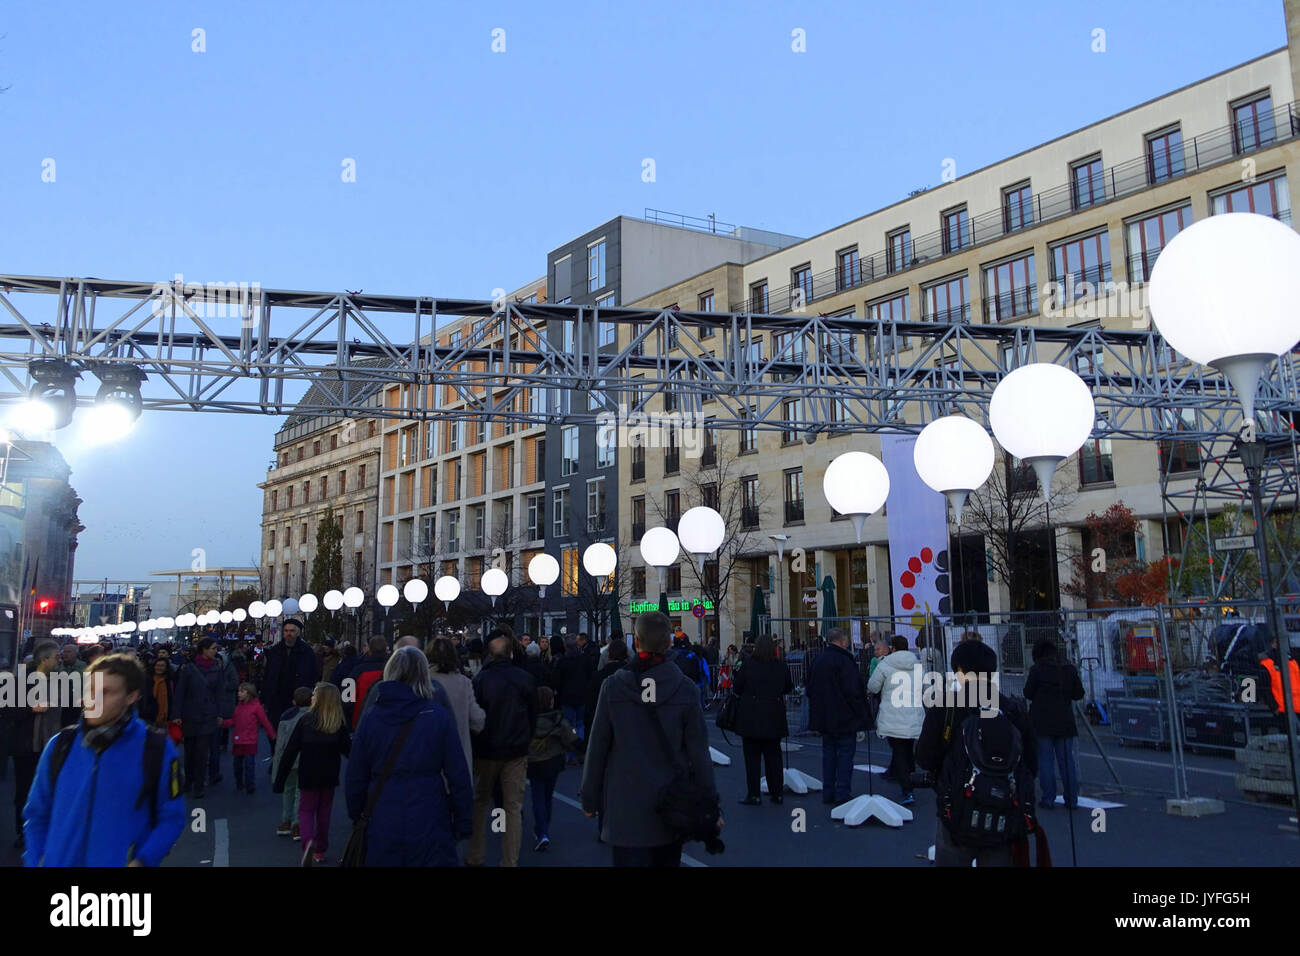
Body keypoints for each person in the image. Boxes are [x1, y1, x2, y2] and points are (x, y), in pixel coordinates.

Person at [580, 611, 720, 867]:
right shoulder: (686, 689)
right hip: (671, 808)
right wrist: (711, 807)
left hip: (625, 808)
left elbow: (597, 747)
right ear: (668, 643)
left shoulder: (613, 687)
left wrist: (589, 797)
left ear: (637, 642)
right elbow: (700, 755)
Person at [23, 653, 186, 866]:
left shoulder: (156, 749)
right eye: (90, 690)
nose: (94, 699)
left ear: (131, 696)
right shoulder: (60, 745)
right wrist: (37, 860)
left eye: (106, 692)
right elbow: (36, 814)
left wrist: (144, 859)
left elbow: (172, 817)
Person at [344, 646, 472, 866]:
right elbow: (457, 773)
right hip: (429, 811)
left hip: (383, 811)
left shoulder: (371, 717)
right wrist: (463, 821)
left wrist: (358, 814)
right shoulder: (436, 716)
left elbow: (355, 774)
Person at [915, 641, 1038, 867]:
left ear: (959, 670)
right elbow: (1031, 764)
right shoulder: (1012, 708)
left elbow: (924, 757)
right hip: (1003, 810)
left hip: (956, 809)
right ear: (991, 671)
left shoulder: (946, 705)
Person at [466, 636, 536, 867]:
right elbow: (532, 714)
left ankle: (475, 855)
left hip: (486, 749)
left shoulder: (481, 679)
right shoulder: (524, 678)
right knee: (513, 806)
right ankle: (509, 860)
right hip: (515, 749)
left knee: (480, 802)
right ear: (511, 654)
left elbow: (474, 716)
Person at [273, 681, 351, 866]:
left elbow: (290, 751)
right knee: (324, 813)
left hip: (308, 774)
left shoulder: (305, 721)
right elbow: (349, 751)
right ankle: (320, 849)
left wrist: (280, 779)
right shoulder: (337, 723)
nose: (312, 697)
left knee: (306, 811)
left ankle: (308, 841)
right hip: (330, 775)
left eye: (315, 694)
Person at [806, 626, 868, 806]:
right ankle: (842, 792)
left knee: (829, 754)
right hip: (844, 716)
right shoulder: (845, 661)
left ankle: (828, 791)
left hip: (824, 716)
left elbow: (809, 687)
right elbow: (853, 691)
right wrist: (861, 714)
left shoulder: (818, 660)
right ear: (841, 641)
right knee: (845, 755)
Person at [9, 642, 63, 848]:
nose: (58, 660)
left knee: (48, 789)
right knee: (24, 791)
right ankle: (23, 833)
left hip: (50, 744)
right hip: (26, 745)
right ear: (44, 660)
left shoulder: (60, 681)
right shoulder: (20, 682)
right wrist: (31, 709)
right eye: (55, 657)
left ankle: (44, 830)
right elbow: (7, 712)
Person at [171, 636, 238, 798]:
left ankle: (198, 784)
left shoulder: (216, 669)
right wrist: (177, 714)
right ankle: (189, 780)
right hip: (190, 714)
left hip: (208, 715)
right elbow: (180, 692)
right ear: (204, 650)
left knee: (202, 752)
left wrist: (220, 713)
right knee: (190, 751)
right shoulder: (189, 669)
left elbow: (220, 693)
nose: (216, 651)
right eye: (213, 648)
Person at [734, 635, 793, 806]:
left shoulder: (748, 664)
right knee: (774, 756)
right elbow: (788, 686)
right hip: (774, 713)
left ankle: (754, 794)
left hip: (751, 713)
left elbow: (738, 686)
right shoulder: (780, 666)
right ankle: (777, 793)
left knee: (752, 758)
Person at [867, 635, 925, 805]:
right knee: (908, 748)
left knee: (899, 750)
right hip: (913, 711)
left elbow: (873, 686)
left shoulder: (884, 664)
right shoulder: (917, 665)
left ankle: (906, 788)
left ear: (892, 648)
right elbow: (926, 687)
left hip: (892, 712)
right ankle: (911, 781)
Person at [527, 685, 583, 852]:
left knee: (537, 798)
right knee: (547, 797)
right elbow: (571, 739)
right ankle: (544, 829)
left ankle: (541, 831)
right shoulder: (558, 719)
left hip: (534, 762)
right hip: (552, 762)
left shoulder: (528, 720)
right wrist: (583, 752)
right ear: (551, 701)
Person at [427, 636, 485, 784]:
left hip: (427, 759)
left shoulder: (421, 681)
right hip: (458, 757)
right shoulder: (463, 683)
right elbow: (478, 720)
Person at [261, 618, 320, 725]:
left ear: (297, 633)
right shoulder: (275, 651)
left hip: (298, 699)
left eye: (292, 631)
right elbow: (268, 674)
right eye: (286, 631)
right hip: (276, 698)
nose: (288, 634)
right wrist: (266, 697)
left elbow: (313, 674)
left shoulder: (306, 652)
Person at [222, 682, 276, 795]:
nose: (238, 694)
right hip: (238, 740)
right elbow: (234, 721)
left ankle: (249, 785)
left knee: (249, 764)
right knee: (237, 764)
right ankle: (240, 783)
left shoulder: (256, 707)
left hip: (249, 741)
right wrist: (224, 723)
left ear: (249, 693)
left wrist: (272, 735)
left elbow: (265, 722)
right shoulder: (238, 707)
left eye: (241, 691)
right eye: (238, 691)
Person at [273, 686, 312, 839]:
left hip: (287, 759)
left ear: (294, 701)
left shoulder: (286, 717)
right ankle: (297, 823)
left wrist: (277, 766)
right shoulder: (312, 716)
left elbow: (280, 744)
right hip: (304, 758)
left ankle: (286, 821)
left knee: (287, 790)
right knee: (299, 792)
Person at [554, 635, 593, 764]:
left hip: (567, 697)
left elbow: (558, 681)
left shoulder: (562, 661)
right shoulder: (584, 659)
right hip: (582, 696)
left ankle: (571, 754)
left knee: (570, 726)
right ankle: (581, 750)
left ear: (566, 646)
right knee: (580, 724)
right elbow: (590, 675)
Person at [585, 637, 628, 738]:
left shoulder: (598, 676)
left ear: (609, 654)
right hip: (626, 725)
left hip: (602, 722)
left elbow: (590, 704)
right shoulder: (633, 675)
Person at [347, 636, 389, 729]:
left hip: (359, 721)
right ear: (386, 650)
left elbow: (346, 698)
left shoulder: (357, 671)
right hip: (388, 723)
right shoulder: (394, 670)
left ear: (369, 650)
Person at [138, 655, 175, 728]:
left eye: (162, 666)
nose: (159, 668)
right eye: (157, 665)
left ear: (166, 668)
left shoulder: (169, 680)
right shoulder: (147, 679)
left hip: (165, 717)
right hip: (148, 717)